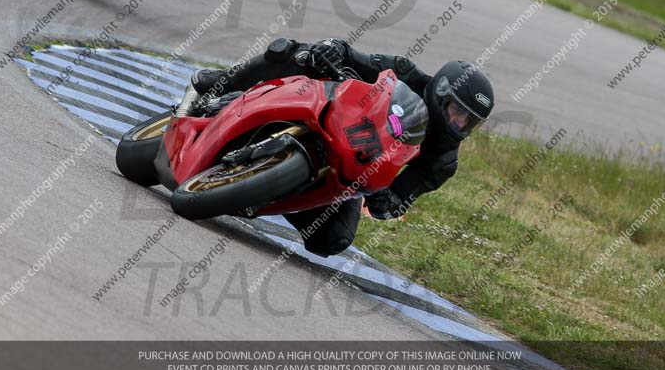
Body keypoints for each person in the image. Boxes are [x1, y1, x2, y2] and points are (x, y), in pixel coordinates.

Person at [190, 38, 495, 257]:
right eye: (457, 110)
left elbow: (404, 195)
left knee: (334, 239)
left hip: (351, 169)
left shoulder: (442, 159)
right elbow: (353, 56)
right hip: (327, 109)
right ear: (442, 90)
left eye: (468, 121)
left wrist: (386, 204)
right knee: (295, 52)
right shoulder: (405, 72)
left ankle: (267, 191)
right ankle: (224, 83)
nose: (458, 123)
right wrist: (332, 50)